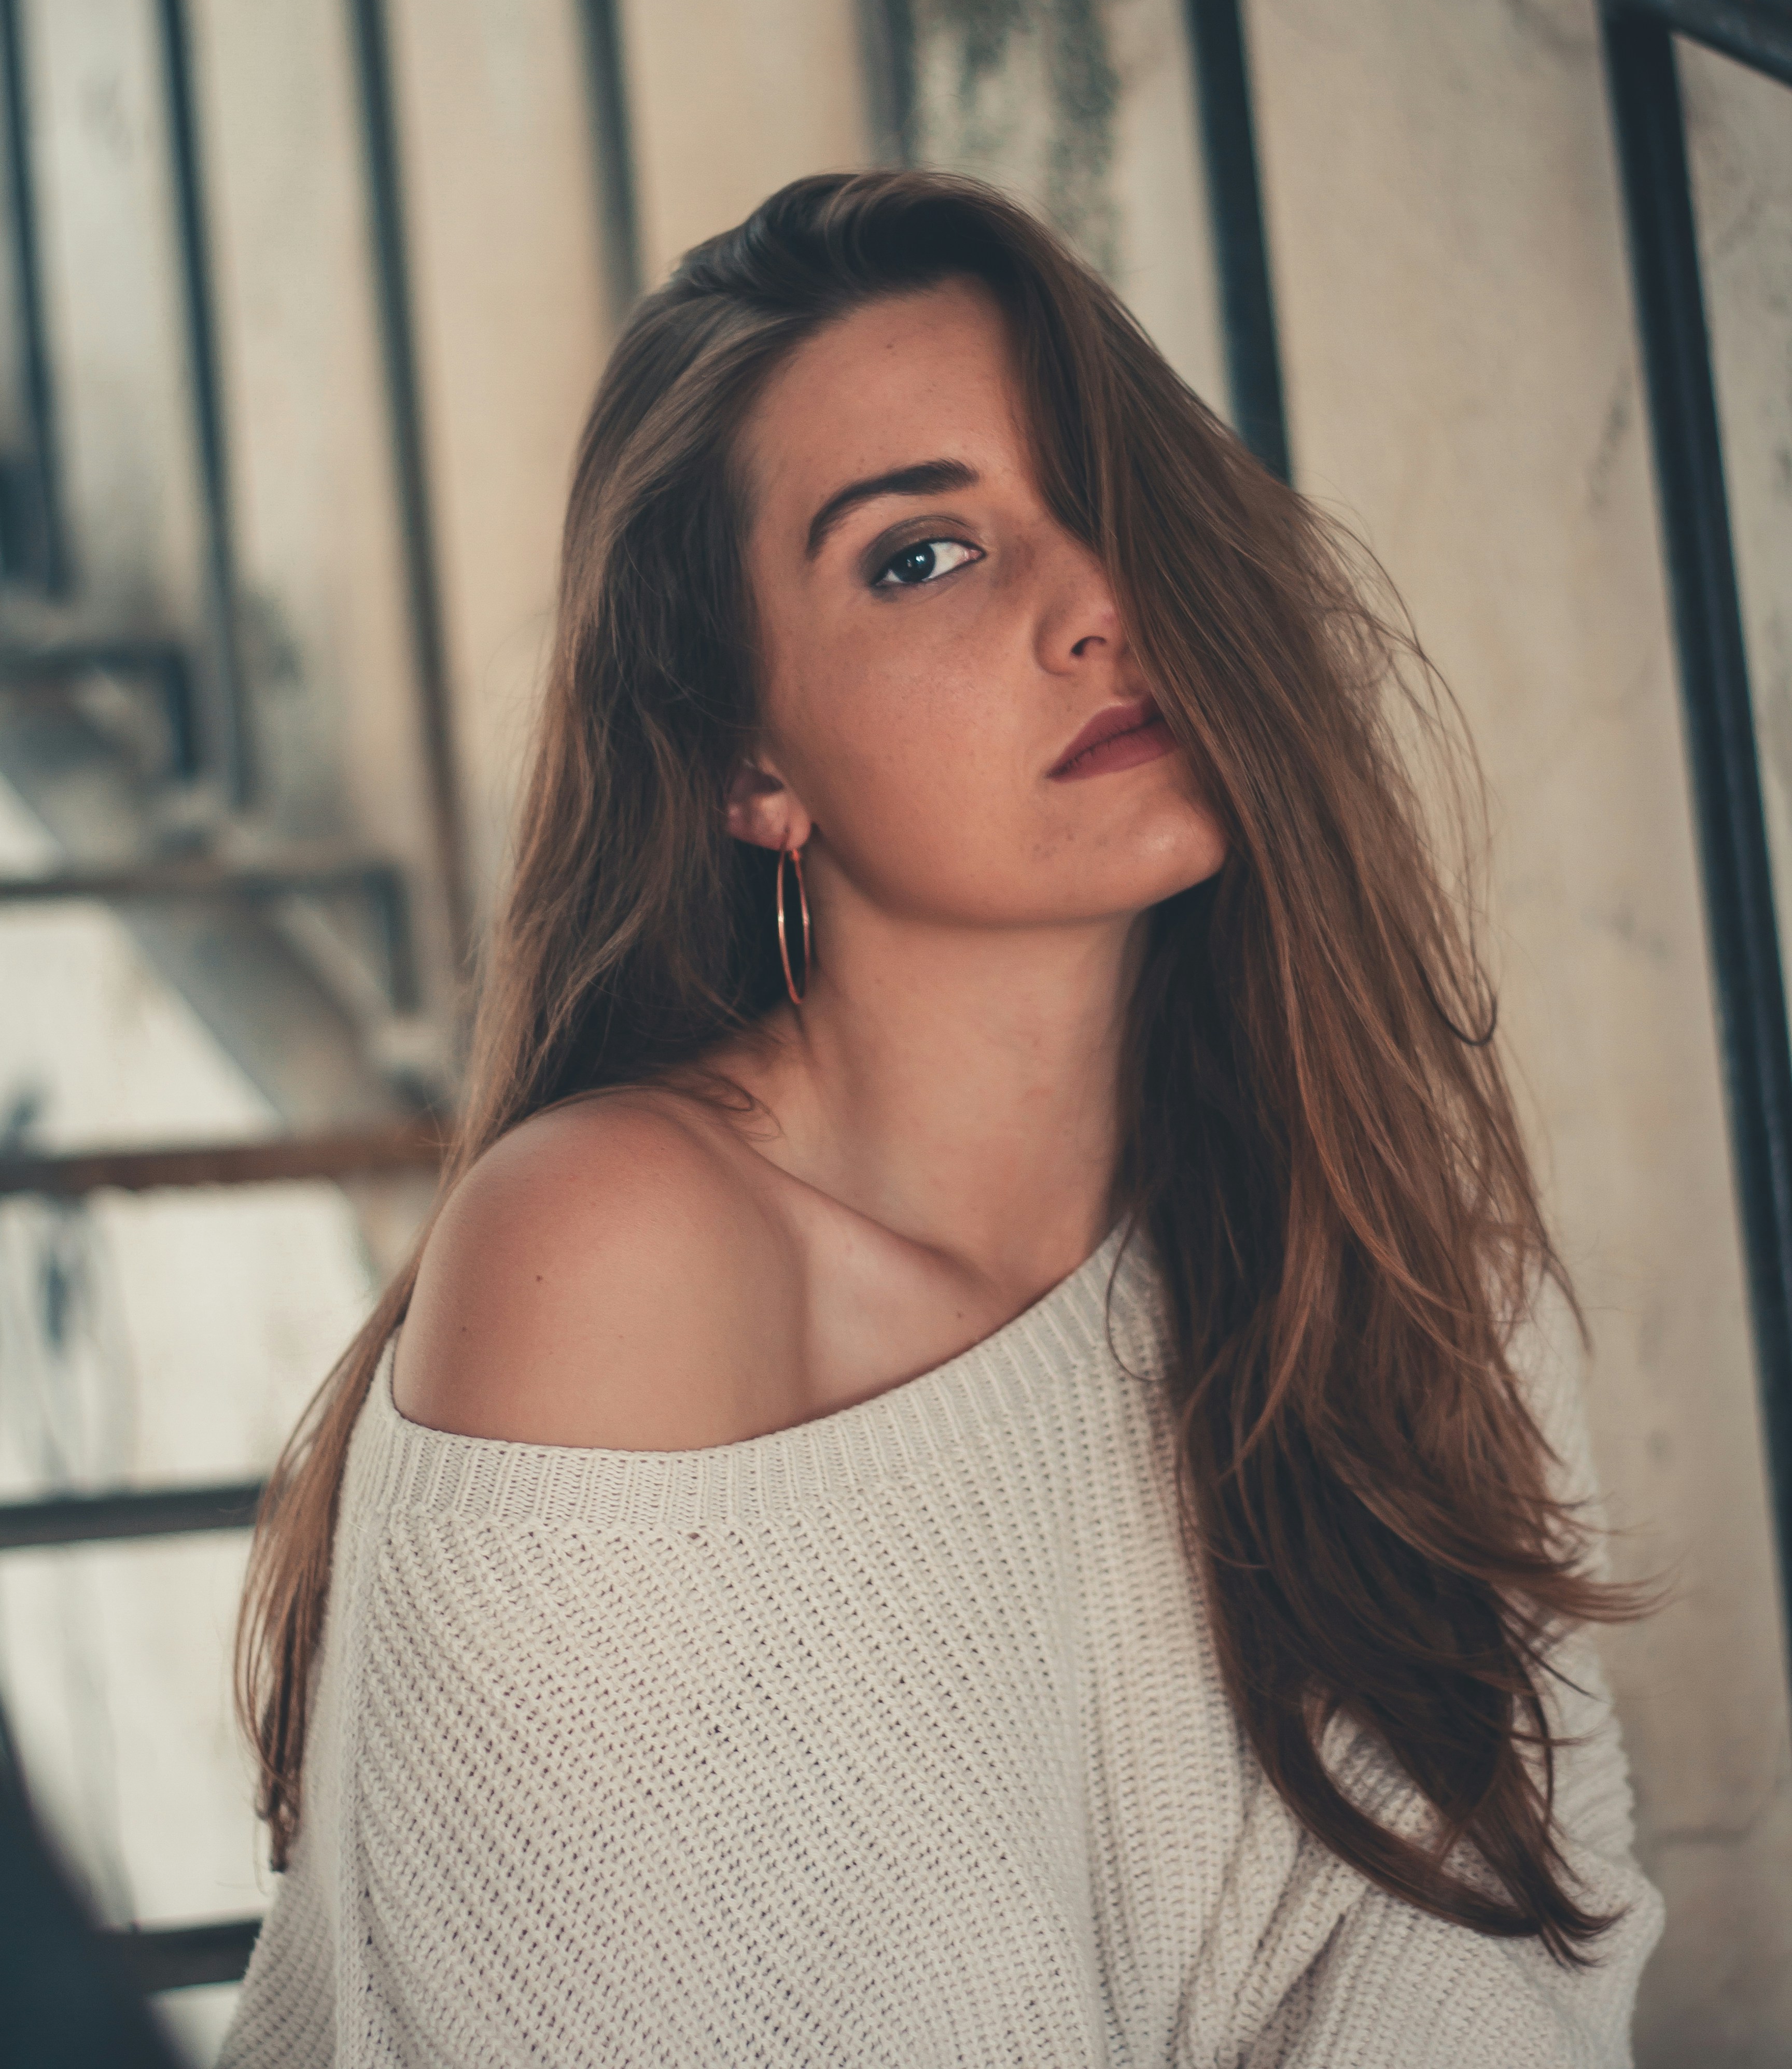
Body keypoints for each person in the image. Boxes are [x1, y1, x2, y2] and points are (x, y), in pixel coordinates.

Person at [221, 171, 1662, 2066]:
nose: (1096, 606)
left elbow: (1511, 1953)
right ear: (748, 756)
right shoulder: (621, 1255)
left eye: (1106, 500)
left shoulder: (1380, 1217)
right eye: (921, 556)